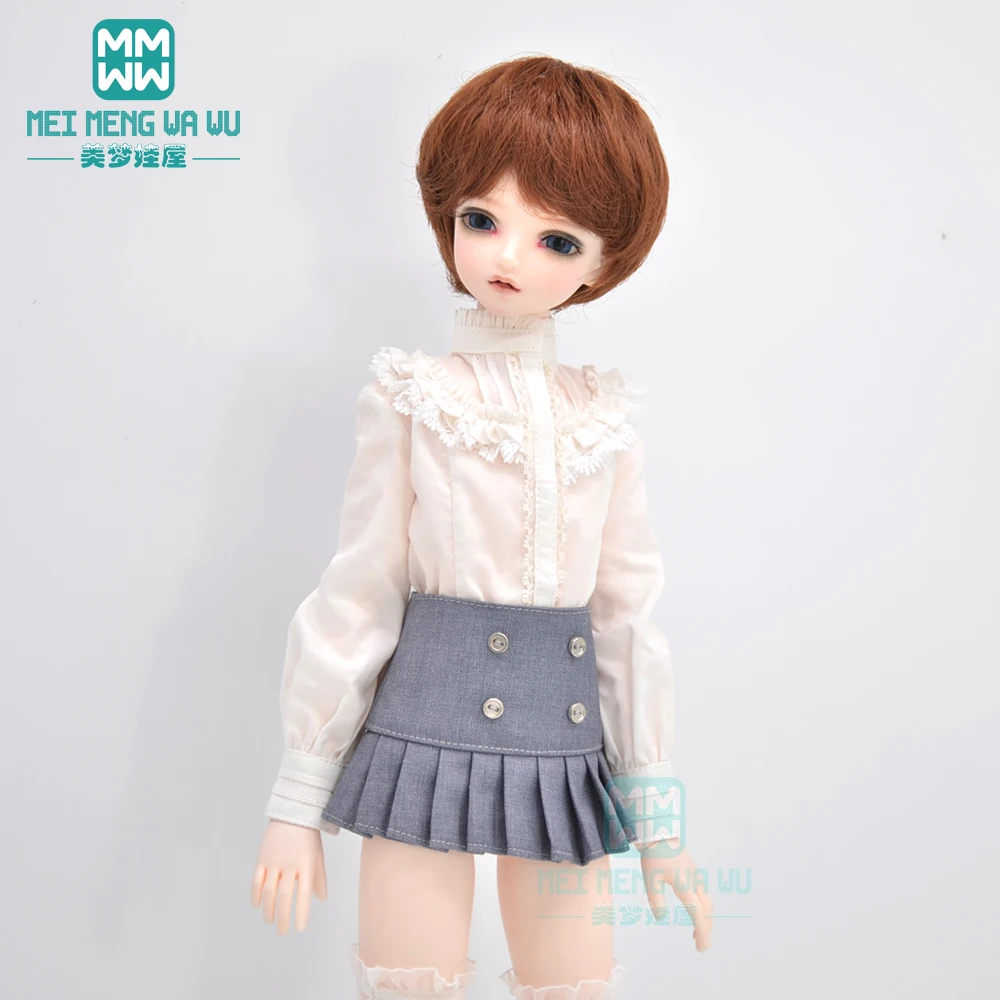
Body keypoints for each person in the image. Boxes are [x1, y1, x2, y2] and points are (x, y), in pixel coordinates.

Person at [250, 54, 713, 1000]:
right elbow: (362, 586)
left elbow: (626, 616)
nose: (508, 258)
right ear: (447, 217)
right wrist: (297, 797)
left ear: (605, 262)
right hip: (422, 734)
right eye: (481, 219)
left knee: (574, 983)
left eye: (557, 240)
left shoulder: (603, 420)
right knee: (410, 982)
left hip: (564, 748)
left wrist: (657, 817)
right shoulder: (413, 397)